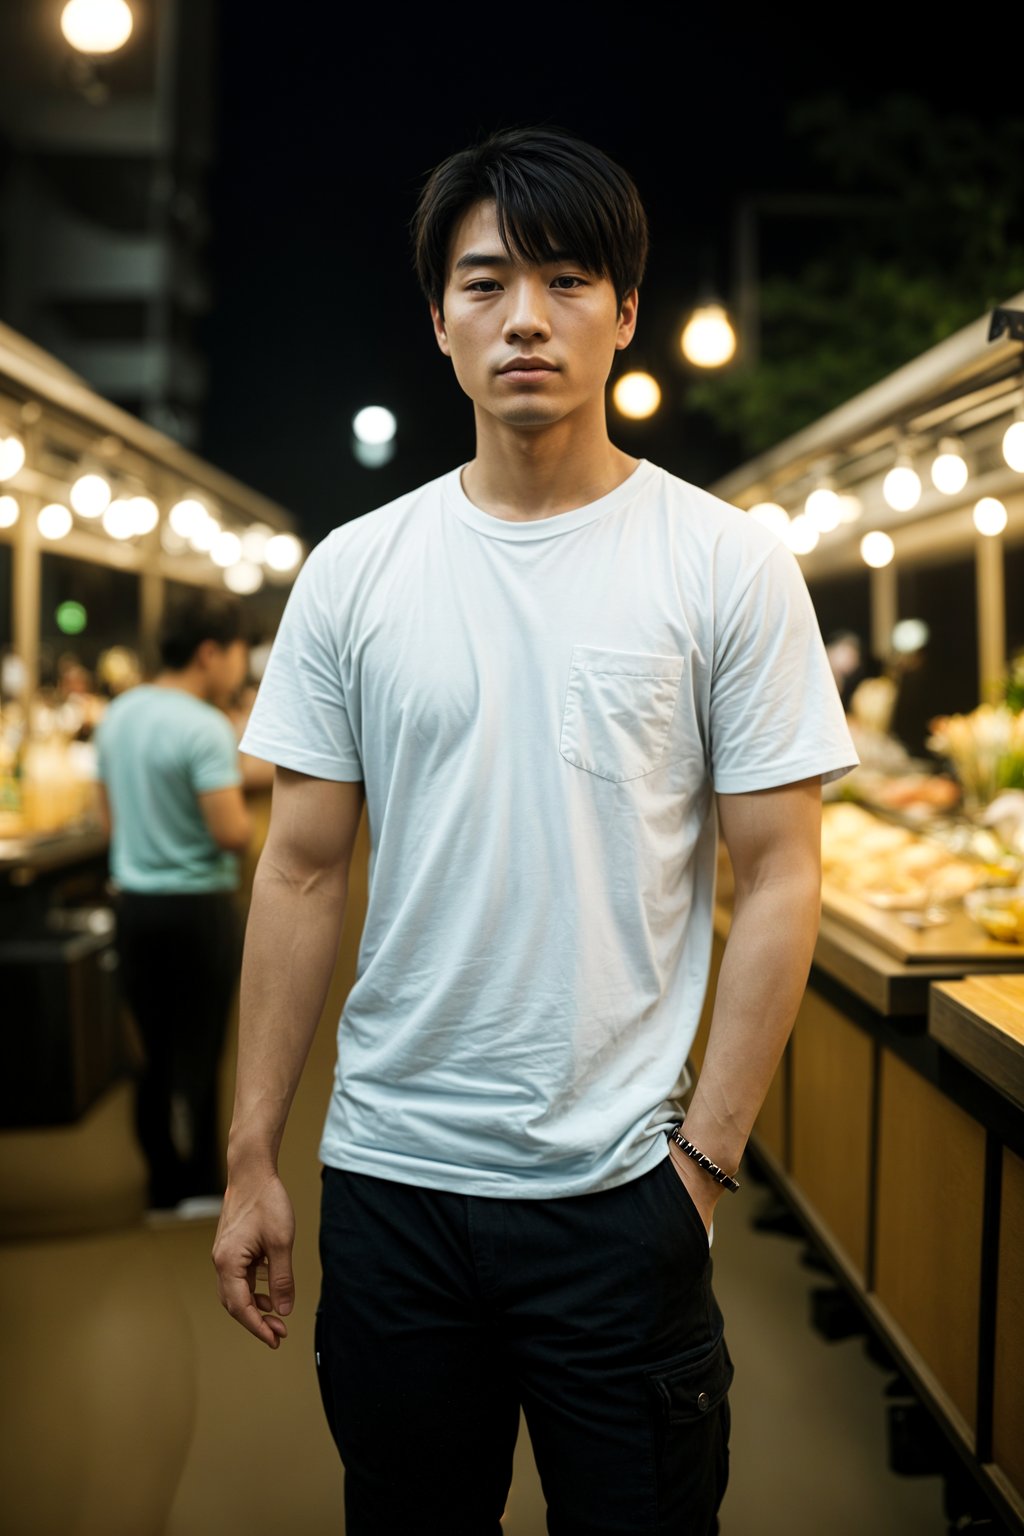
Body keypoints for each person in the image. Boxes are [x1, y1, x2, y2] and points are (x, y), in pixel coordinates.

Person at [213, 126, 859, 1536]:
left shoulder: (724, 564)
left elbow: (784, 872)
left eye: (567, 281)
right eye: (486, 280)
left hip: (620, 1189)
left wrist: (701, 1169)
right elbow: (302, 871)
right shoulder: (355, 574)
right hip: (391, 1185)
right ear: (438, 316)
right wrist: (254, 1155)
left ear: (624, 313)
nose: (525, 318)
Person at [96, 591, 251, 1210]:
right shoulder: (205, 726)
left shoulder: (119, 714)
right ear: (211, 653)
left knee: (151, 1050)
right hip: (197, 908)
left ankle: (160, 1183)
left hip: (134, 906)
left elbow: (106, 819)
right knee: (202, 1047)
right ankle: (203, 1185)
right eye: (241, 653)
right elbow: (231, 832)